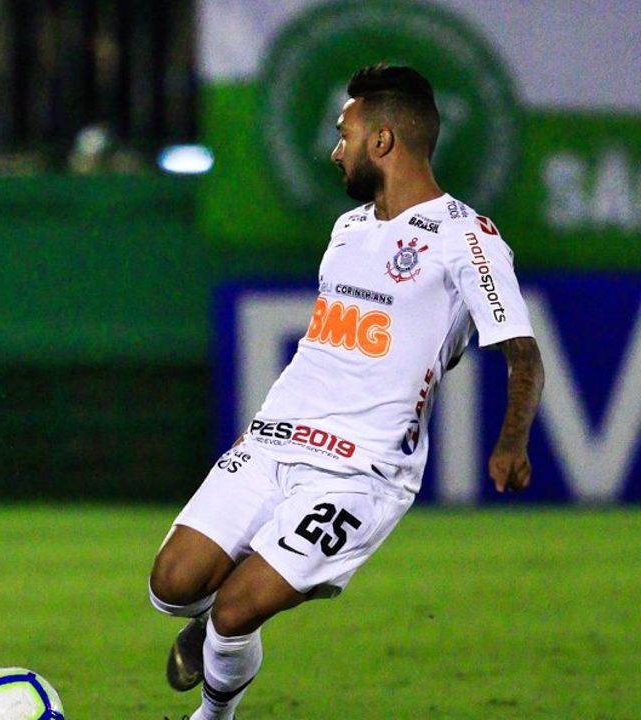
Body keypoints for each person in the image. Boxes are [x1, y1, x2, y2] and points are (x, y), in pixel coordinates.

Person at [147, 64, 545, 719]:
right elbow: (328, 349)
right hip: (275, 442)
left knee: (236, 613)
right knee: (171, 586)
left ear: (383, 141)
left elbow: (522, 352)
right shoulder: (348, 231)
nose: (336, 149)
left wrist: (511, 441)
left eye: (345, 133)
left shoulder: (465, 238)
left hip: (361, 471)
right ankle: (227, 602)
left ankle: (213, 714)